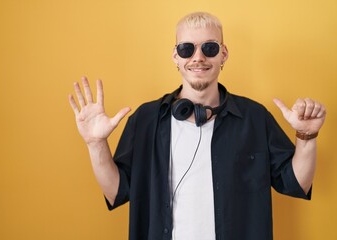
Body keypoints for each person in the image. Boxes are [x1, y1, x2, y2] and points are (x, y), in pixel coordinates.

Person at [68, 12, 326, 240]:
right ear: (175, 56)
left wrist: (307, 135)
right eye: (186, 49)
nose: (198, 57)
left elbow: (297, 183)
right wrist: (96, 144)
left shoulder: (255, 117)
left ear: (223, 53)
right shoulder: (145, 120)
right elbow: (117, 192)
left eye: (210, 48)